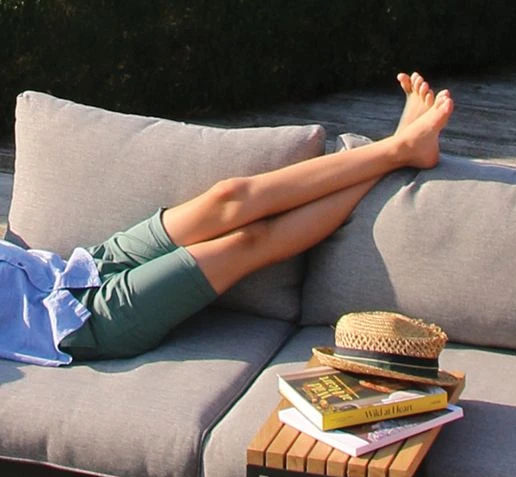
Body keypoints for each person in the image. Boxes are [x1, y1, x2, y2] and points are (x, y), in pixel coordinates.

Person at [0, 72, 453, 366]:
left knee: (229, 197)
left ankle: (399, 148)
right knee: (246, 241)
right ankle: (399, 150)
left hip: (74, 269)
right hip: (90, 323)